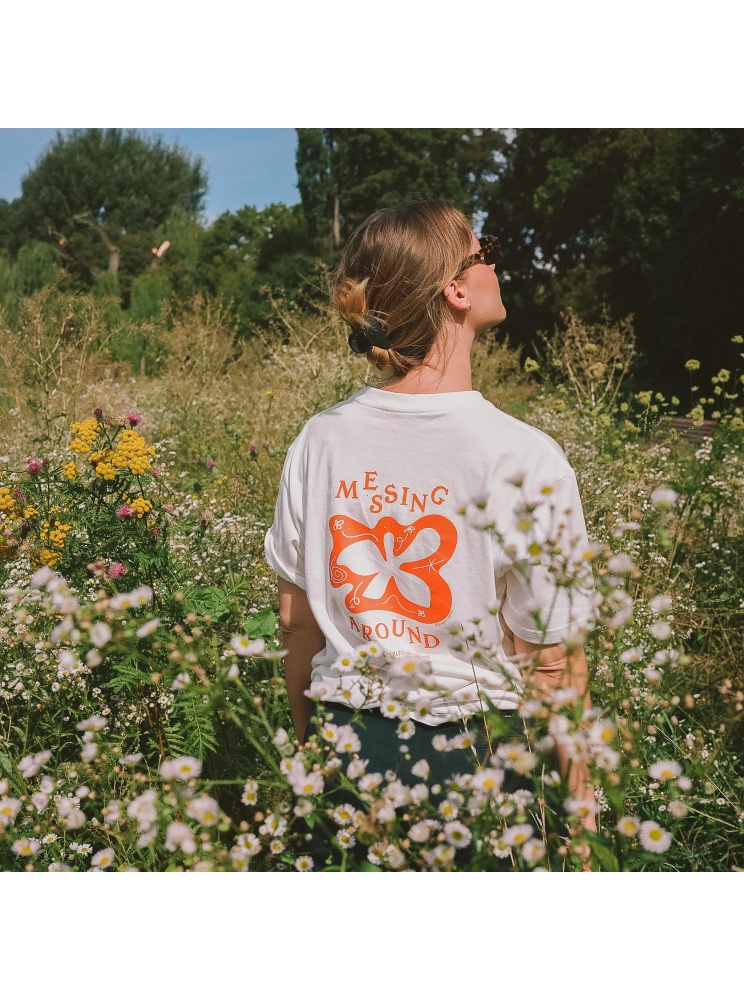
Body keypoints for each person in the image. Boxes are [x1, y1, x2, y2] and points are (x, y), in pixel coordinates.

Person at [264, 200, 597, 831]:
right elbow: (551, 661)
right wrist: (581, 824)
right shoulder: (525, 456)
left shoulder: (321, 440)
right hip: (478, 757)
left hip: (347, 749)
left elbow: (296, 624)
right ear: (457, 290)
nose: (496, 264)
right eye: (486, 249)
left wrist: (316, 752)